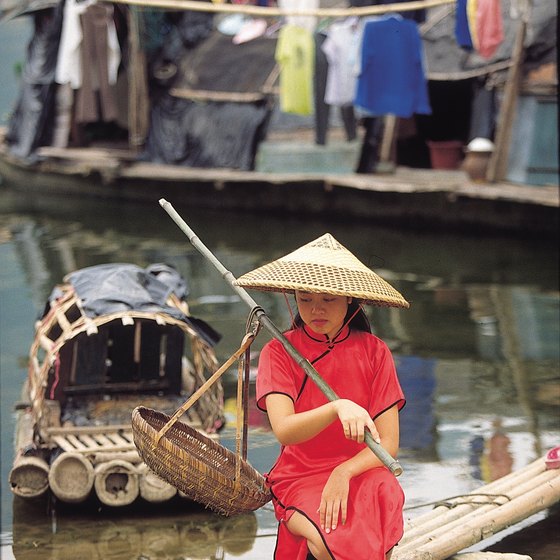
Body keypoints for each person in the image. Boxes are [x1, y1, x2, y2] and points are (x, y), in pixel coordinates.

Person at [234, 233, 409, 560]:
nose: (315, 309)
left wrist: (344, 472)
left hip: (361, 469)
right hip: (301, 474)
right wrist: (337, 407)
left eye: (328, 299)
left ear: (349, 300)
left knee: (382, 496)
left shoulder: (375, 351)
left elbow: (388, 444)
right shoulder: (279, 352)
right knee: (328, 543)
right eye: (304, 298)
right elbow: (284, 430)